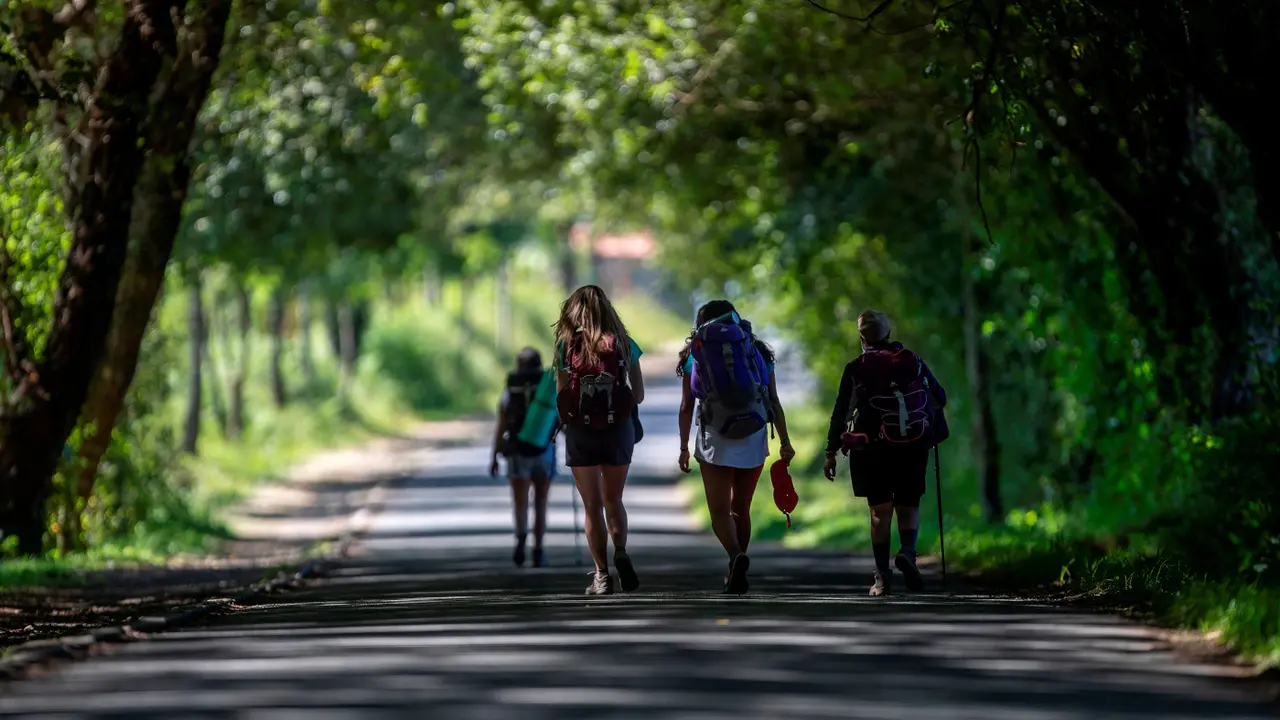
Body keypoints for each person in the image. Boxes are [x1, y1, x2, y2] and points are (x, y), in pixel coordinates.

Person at [823, 310, 947, 597]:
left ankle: (882, 578)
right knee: (909, 503)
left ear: (862, 338)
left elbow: (841, 412)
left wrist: (831, 451)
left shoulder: (856, 367)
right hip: (913, 444)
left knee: (879, 511)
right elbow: (939, 397)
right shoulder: (912, 360)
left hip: (872, 447)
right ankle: (908, 552)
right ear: (889, 333)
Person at [677, 301, 794, 594]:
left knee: (718, 511)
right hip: (753, 434)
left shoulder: (696, 353)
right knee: (740, 507)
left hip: (714, 435)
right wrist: (785, 441)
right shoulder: (757, 352)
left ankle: (735, 557)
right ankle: (736, 570)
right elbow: (774, 400)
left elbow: (686, 406)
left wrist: (682, 446)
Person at [553, 285, 645, 595]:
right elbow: (640, 395)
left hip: (581, 433)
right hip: (618, 430)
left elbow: (562, 395)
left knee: (591, 505)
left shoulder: (567, 346)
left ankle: (602, 575)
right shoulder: (624, 343)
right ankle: (620, 549)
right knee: (613, 499)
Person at [490, 347, 558, 568]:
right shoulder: (547, 388)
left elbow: (501, 424)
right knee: (540, 503)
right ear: (540, 365)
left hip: (517, 451)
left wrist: (493, 456)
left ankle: (520, 540)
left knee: (520, 503)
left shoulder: (511, 389)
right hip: (544, 450)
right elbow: (560, 419)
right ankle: (538, 551)